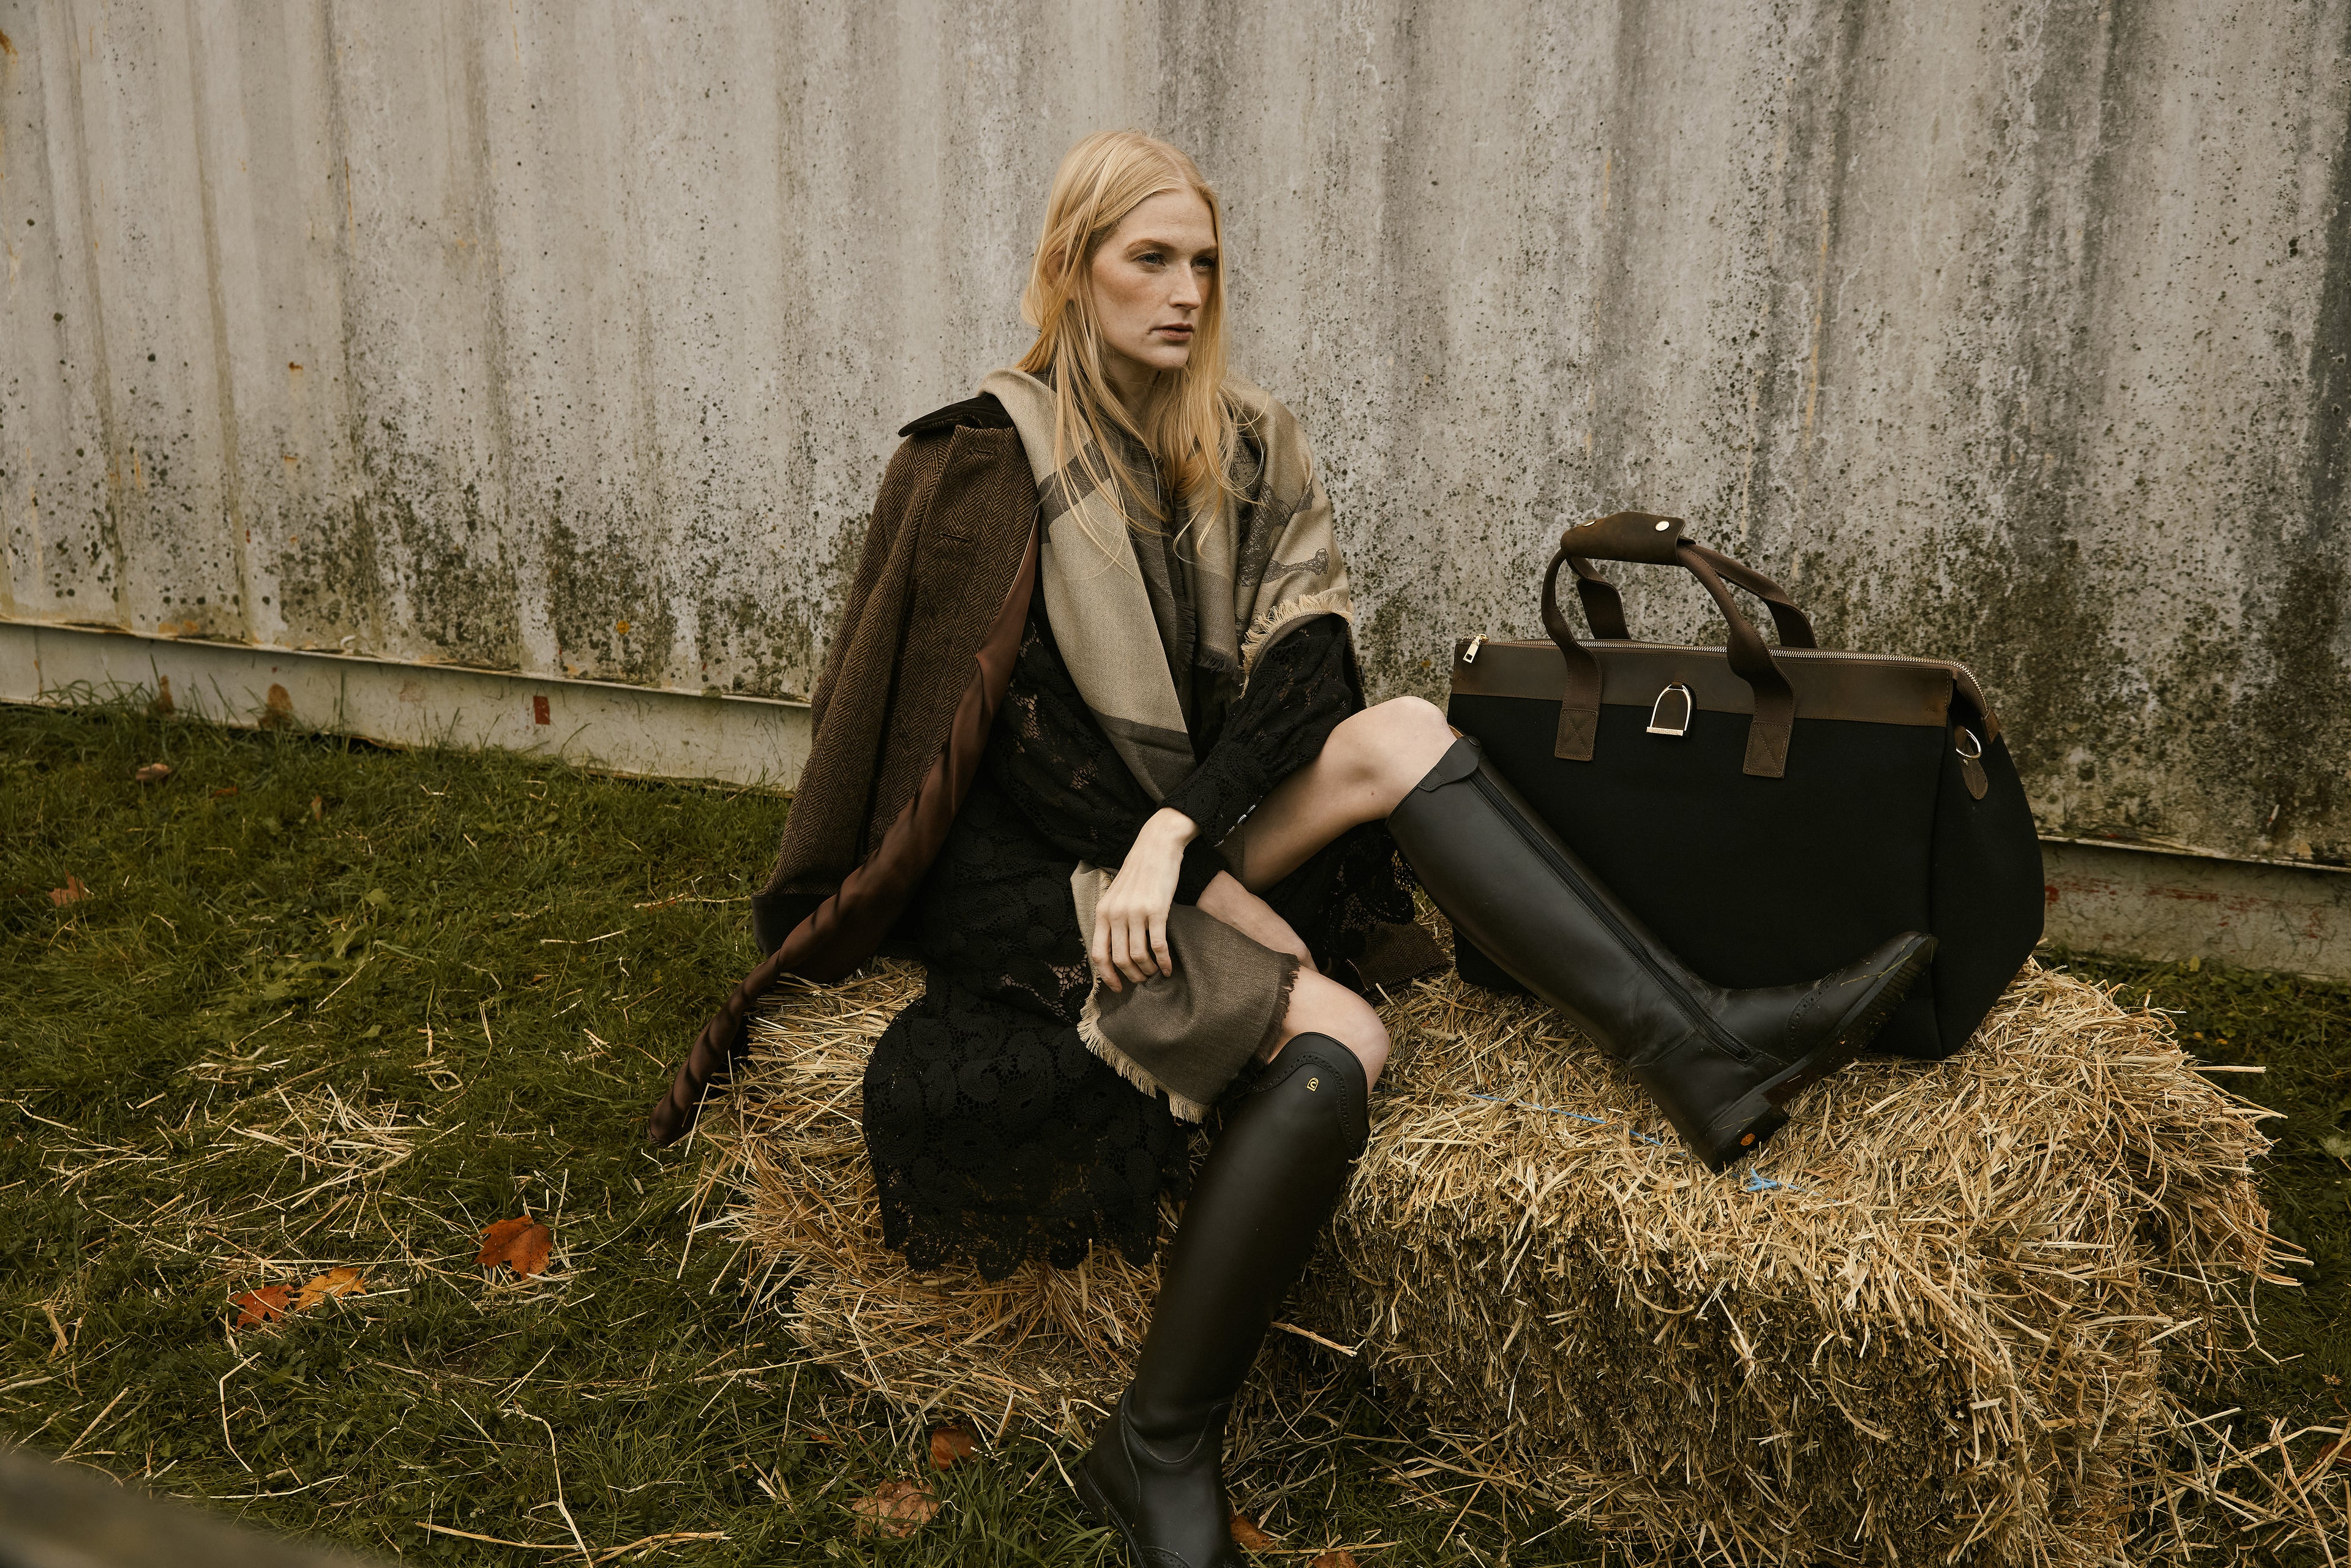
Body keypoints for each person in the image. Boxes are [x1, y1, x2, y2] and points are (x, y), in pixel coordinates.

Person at [648, 130, 1931, 1568]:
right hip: (1030, 869)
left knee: (1389, 729)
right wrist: (1183, 880)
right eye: (1151, 259)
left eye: (1205, 261)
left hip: (1168, 833)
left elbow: (1305, 670)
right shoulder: (977, 465)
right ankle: (1154, 1444)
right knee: (1340, 1041)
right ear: (1071, 272)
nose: (1186, 291)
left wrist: (1187, 843)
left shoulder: (1249, 443)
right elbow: (1008, 751)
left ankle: (1696, 1050)